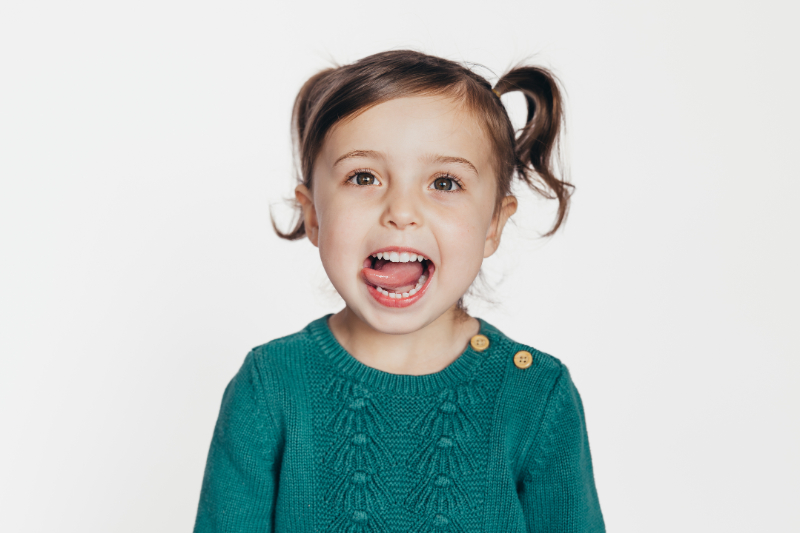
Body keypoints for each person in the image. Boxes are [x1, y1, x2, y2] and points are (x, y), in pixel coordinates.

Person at [193, 50, 604, 533]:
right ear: (313, 215)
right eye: (363, 177)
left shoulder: (536, 395)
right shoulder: (270, 386)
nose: (401, 211)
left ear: (493, 224)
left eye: (444, 182)